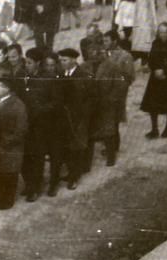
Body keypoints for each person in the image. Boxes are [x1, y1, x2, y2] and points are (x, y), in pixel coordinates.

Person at [20, 50, 65, 201]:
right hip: (35, 126)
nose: (26, 65)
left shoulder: (51, 79)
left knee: (55, 155)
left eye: (29, 62)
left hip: (53, 124)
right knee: (37, 156)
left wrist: (41, 110)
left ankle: (53, 184)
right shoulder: (28, 78)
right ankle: (35, 187)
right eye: (26, 62)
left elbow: (58, 103)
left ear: (38, 63)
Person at [87, 32, 135, 168]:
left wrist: (113, 97)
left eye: (107, 41)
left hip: (113, 98)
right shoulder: (93, 63)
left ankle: (112, 152)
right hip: (98, 100)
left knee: (111, 125)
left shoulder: (123, 57)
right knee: (106, 125)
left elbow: (127, 78)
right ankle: (111, 148)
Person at [58, 48, 94, 189]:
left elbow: (91, 99)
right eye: (60, 60)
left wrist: (83, 118)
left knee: (77, 148)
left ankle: (74, 176)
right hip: (64, 118)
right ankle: (71, 172)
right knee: (67, 147)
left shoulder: (83, 76)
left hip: (79, 119)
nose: (62, 63)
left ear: (74, 60)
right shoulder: (61, 74)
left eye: (64, 60)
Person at [0, 81, 27, 210]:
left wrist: (8, 141)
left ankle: (7, 201)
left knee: (10, 175)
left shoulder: (17, 105)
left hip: (11, 147)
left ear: (8, 88)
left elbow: (21, 129)